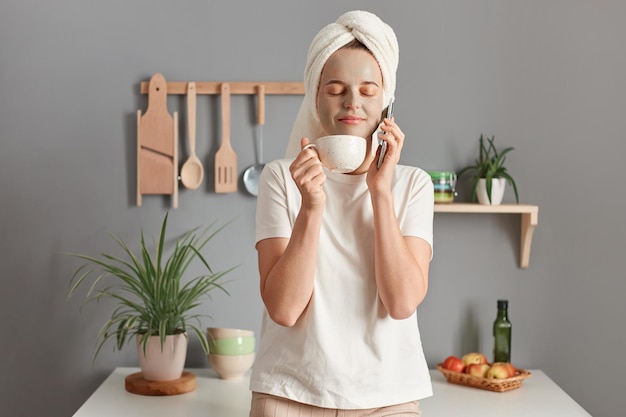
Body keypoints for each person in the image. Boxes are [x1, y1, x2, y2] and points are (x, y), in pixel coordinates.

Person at [250, 10, 434, 417]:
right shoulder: (282, 178)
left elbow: (402, 302)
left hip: (389, 398)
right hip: (288, 395)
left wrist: (380, 193)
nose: (352, 102)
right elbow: (283, 309)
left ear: (386, 99)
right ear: (315, 97)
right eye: (335, 89)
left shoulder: (412, 185)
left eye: (369, 90)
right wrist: (312, 206)